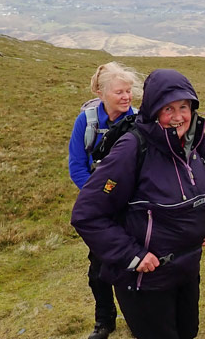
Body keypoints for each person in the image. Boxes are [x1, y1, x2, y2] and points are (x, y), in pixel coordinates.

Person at [71, 69, 205, 339]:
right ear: (152, 110)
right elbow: (86, 214)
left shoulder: (193, 142)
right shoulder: (133, 147)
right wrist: (131, 255)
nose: (177, 117)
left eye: (184, 107)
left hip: (185, 270)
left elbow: (199, 193)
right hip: (145, 281)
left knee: (188, 333)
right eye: (167, 108)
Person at [68, 61, 143, 339]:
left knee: (134, 263)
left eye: (129, 91)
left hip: (132, 206)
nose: (126, 97)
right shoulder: (86, 122)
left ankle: (138, 319)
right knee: (99, 270)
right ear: (101, 93)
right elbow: (77, 165)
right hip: (100, 210)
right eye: (119, 92)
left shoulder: (138, 121)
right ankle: (104, 321)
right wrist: (98, 200)